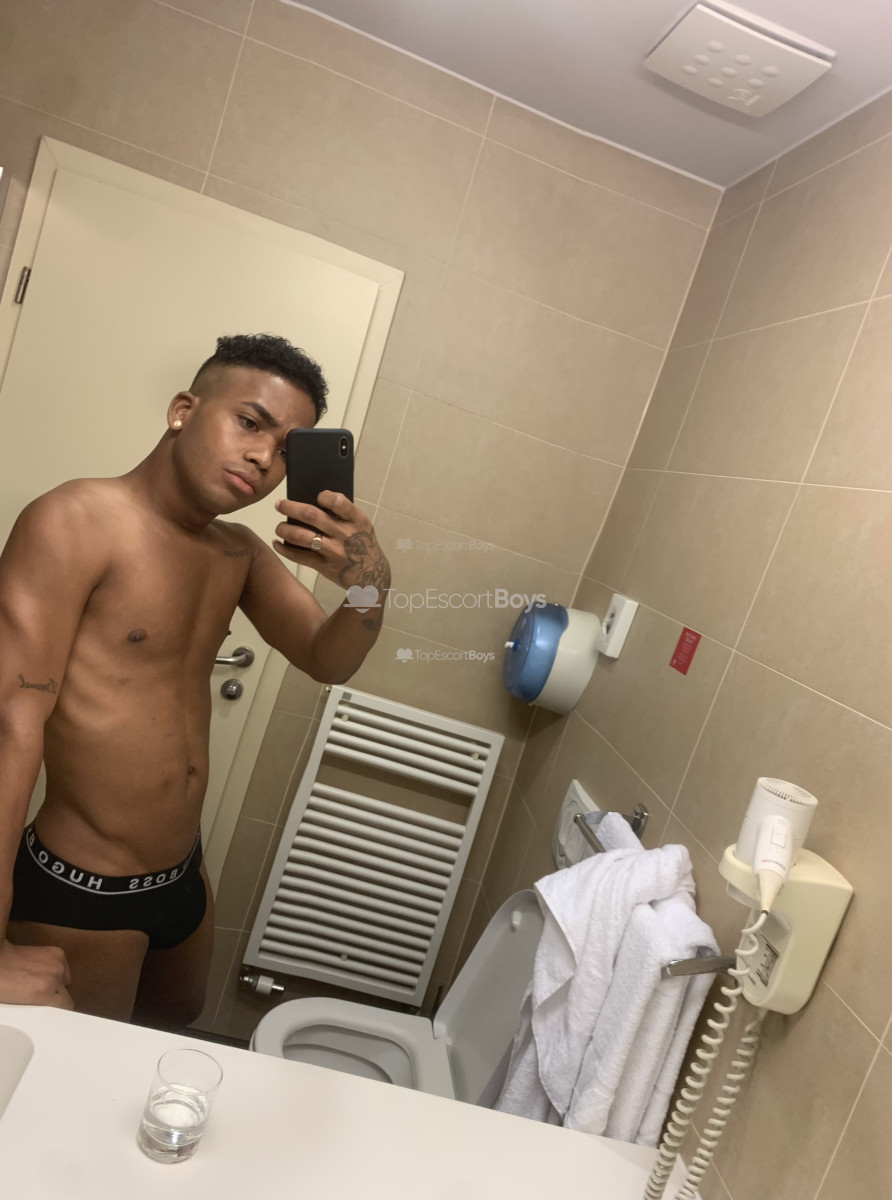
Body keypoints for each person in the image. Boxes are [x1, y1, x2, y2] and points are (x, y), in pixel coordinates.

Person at [0, 333, 391, 1027]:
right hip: (85, 886)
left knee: (173, 1028)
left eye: (286, 449)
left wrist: (371, 584)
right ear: (184, 410)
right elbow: (11, 728)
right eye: (250, 422)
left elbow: (327, 659)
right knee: (91, 1079)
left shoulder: (237, 553)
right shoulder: (75, 521)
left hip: (184, 874)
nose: (263, 458)